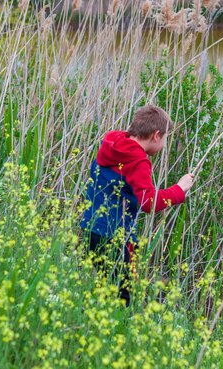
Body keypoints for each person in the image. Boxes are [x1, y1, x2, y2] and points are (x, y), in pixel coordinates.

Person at [80, 105, 195, 306]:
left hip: (91, 228)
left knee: (105, 289)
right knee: (123, 298)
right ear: (156, 135)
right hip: (114, 235)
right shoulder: (138, 160)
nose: (165, 144)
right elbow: (149, 203)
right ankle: (115, 332)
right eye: (166, 138)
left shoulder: (112, 142)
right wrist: (179, 189)